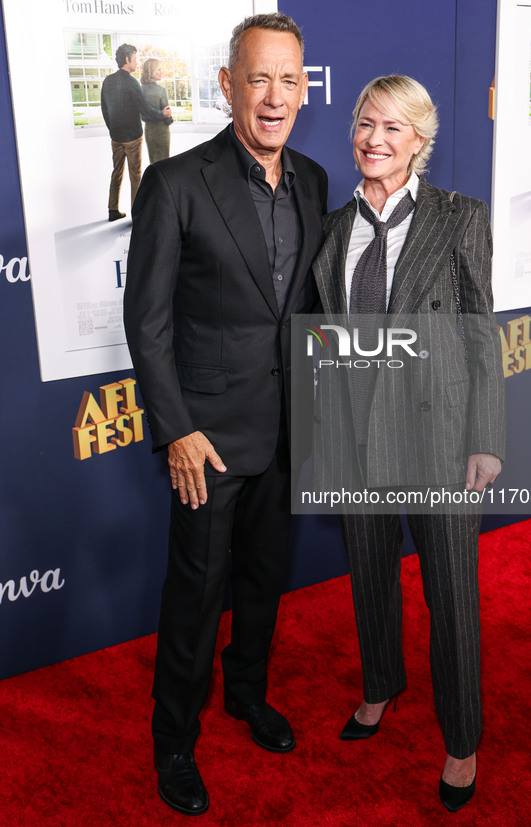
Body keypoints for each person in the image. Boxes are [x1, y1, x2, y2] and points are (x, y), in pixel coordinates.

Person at [123, 13, 327, 817]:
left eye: (290, 80)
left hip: (286, 431)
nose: (274, 96)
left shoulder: (312, 179)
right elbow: (148, 321)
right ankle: (173, 738)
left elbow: (310, 306)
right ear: (227, 86)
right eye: (258, 78)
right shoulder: (175, 183)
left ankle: (245, 693)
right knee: (195, 595)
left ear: (304, 89)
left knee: (264, 580)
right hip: (205, 439)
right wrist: (175, 427)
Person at [312, 75, 505, 812]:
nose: (373, 139)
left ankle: (460, 739)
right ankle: (379, 686)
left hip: (437, 432)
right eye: (365, 122)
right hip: (356, 435)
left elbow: (479, 334)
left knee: (450, 592)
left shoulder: (461, 217)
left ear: (419, 143)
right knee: (368, 572)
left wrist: (483, 435)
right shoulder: (333, 228)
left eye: (392, 128)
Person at [101, 44, 172, 221]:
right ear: (127, 59)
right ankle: (137, 214)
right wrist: (162, 114)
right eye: (135, 58)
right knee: (135, 176)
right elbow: (145, 110)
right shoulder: (132, 82)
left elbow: (104, 109)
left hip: (116, 137)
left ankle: (113, 210)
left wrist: (112, 129)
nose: (136, 61)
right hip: (133, 138)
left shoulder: (108, 81)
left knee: (116, 172)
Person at [141, 58, 173, 164]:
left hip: (149, 131)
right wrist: (169, 117)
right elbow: (167, 116)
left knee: (153, 162)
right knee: (164, 163)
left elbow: (143, 113)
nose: (161, 72)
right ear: (152, 71)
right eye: (159, 69)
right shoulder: (161, 90)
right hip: (162, 130)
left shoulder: (140, 90)